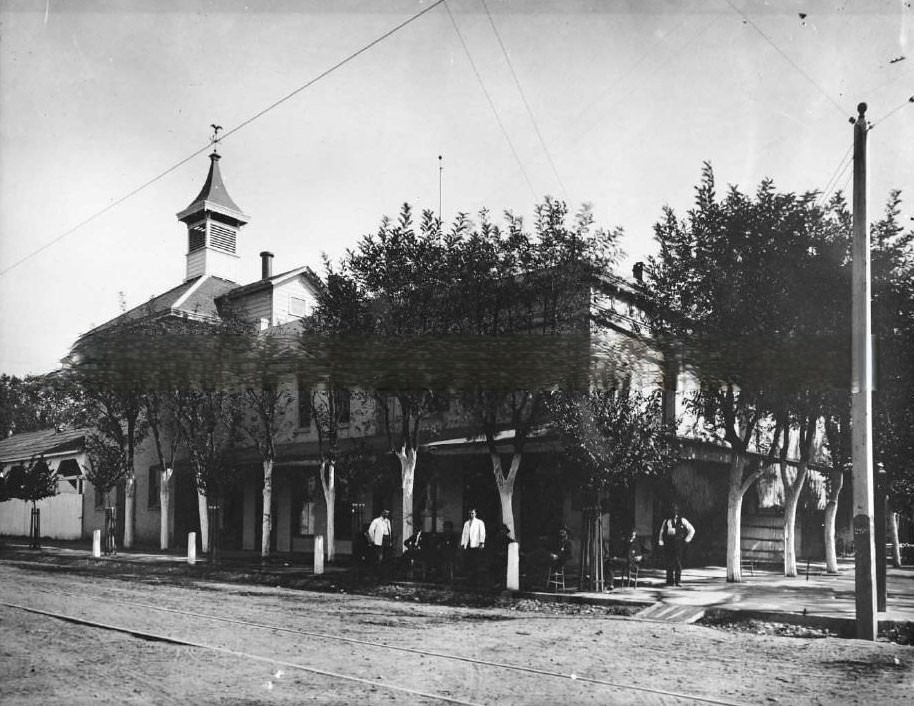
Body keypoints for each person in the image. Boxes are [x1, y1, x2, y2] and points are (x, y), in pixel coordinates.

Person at [657, 505, 695, 587]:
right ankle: (669, 580)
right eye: (672, 511)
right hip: (669, 544)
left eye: (676, 511)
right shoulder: (666, 521)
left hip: (679, 544)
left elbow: (692, 530)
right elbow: (662, 531)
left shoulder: (683, 520)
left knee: (678, 562)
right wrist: (661, 542)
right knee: (669, 562)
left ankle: (678, 580)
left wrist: (686, 540)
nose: (674, 513)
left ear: (678, 512)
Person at [460, 508, 486, 586]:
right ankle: (469, 580)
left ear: (475, 514)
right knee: (468, 562)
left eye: (472, 513)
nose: (471, 515)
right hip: (468, 545)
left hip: (476, 545)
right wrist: (463, 544)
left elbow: (482, 533)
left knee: (476, 563)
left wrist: (481, 542)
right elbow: (464, 534)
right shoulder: (466, 523)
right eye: (470, 513)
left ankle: (476, 580)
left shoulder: (479, 522)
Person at [367, 509, 392, 581]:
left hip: (386, 539)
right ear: (382, 513)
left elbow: (389, 531)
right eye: (385, 513)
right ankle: (377, 573)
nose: (386, 514)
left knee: (386, 557)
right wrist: (373, 539)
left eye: (388, 513)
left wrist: (389, 540)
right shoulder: (376, 521)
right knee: (379, 557)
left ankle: (384, 574)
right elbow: (370, 530)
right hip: (379, 540)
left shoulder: (388, 521)